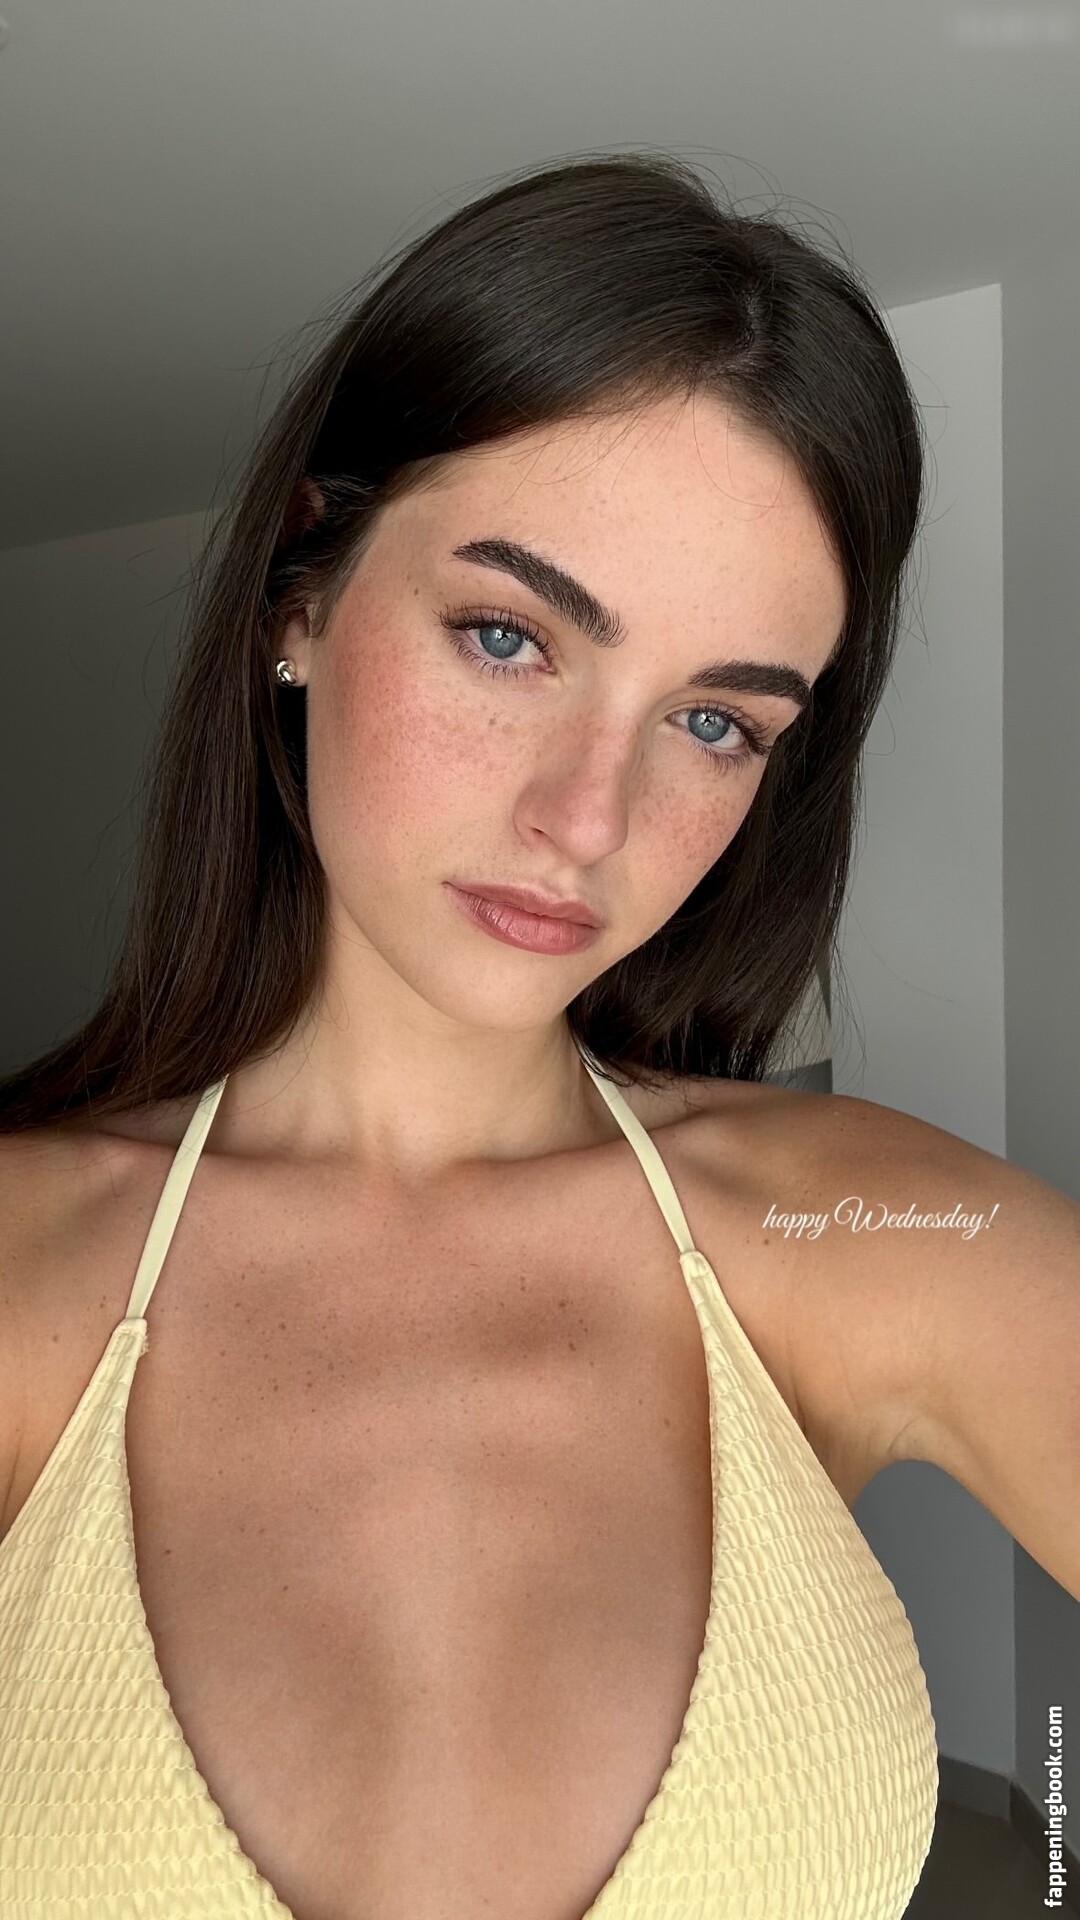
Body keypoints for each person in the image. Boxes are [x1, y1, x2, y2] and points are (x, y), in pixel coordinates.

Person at [0, 151, 1076, 1920]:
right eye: (508, 637)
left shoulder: (870, 1235)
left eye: (717, 723)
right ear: (301, 594)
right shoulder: (25, 1275)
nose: (590, 817)